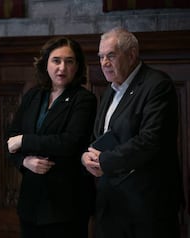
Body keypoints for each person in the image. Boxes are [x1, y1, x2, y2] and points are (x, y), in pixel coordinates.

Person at [81, 27, 182, 238]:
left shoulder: (157, 85)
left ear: (132, 54)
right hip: (112, 202)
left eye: (111, 56)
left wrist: (105, 161)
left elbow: (150, 141)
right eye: (101, 57)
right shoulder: (110, 89)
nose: (104, 63)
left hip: (147, 204)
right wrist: (86, 156)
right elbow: (99, 135)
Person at [6, 37, 97, 238]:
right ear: (45, 63)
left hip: (66, 204)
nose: (62, 67)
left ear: (78, 66)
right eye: (56, 60)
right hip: (31, 202)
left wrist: (25, 141)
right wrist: (24, 161)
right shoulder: (33, 95)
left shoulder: (84, 99)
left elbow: (69, 143)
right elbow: (11, 139)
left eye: (69, 61)